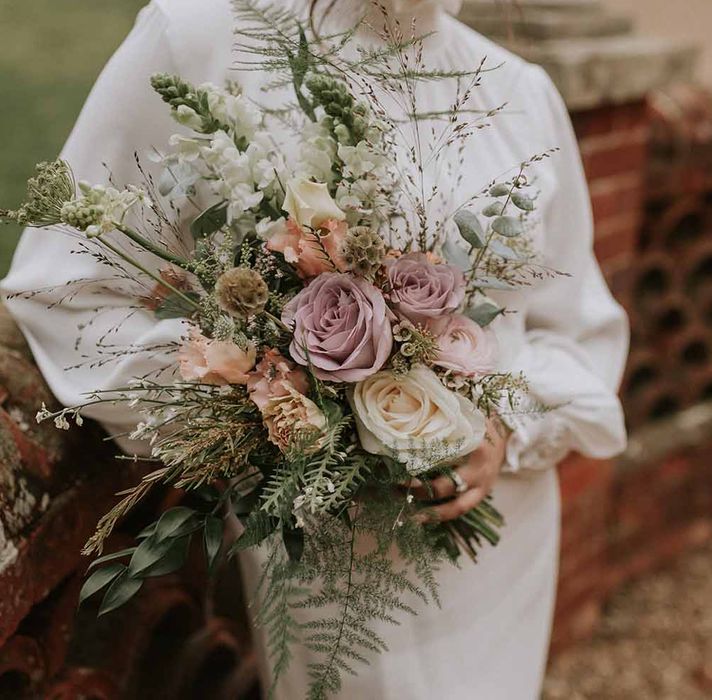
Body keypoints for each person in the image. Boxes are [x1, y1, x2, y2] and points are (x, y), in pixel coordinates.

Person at [1, 0, 629, 697]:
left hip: (507, 530)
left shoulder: (520, 92)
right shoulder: (202, 39)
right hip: (330, 559)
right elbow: (64, 289)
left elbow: (575, 329)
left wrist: (506, 428)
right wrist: (258, 394)